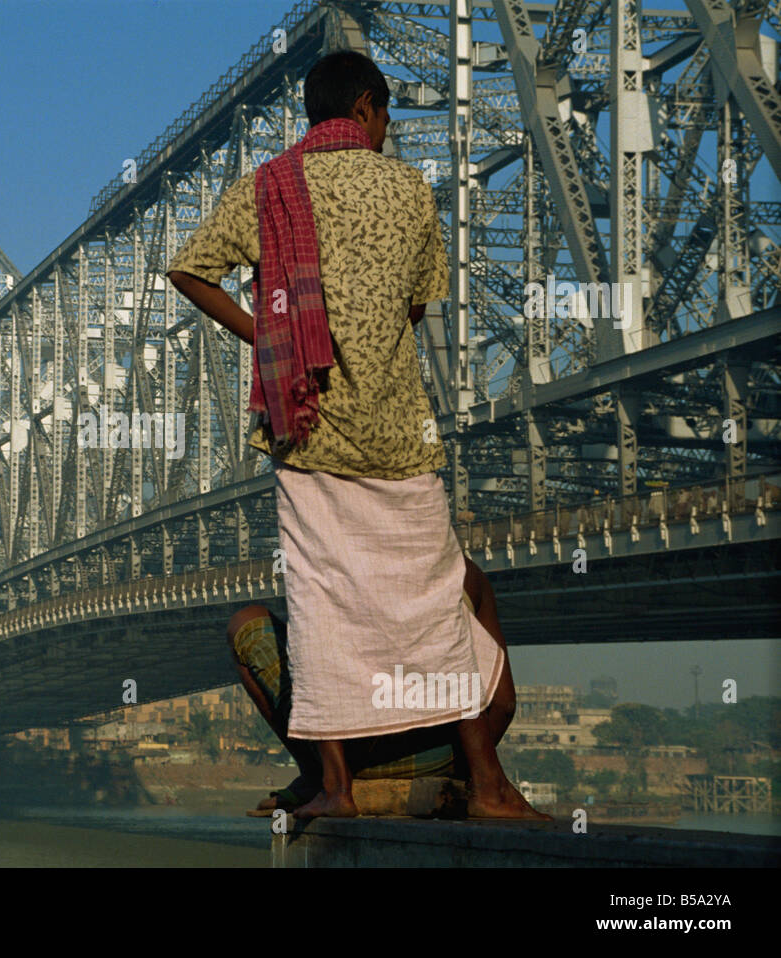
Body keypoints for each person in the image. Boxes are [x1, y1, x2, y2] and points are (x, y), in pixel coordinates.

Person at [167, 50, 547, 820]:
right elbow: (417, 302)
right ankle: (487, 783)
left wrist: (273, 340)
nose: (388, 133)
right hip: (398, 436)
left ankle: (337, 789)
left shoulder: (269, 185)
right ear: (369, 108)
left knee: (321, 603)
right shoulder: (408, 187)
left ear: (316, 114)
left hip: (306, 435)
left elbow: (189, 268)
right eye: (388, 120)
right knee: (440, 597)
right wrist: (367, 342)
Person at [227, 555, 517, 813]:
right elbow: (504, 704)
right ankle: (482, 783)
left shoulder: (334, 570)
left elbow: (316, 672)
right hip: (440, 758)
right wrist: (464, 766)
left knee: (246, 622)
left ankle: (320, 780)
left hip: (346, 758)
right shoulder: (465, 572)